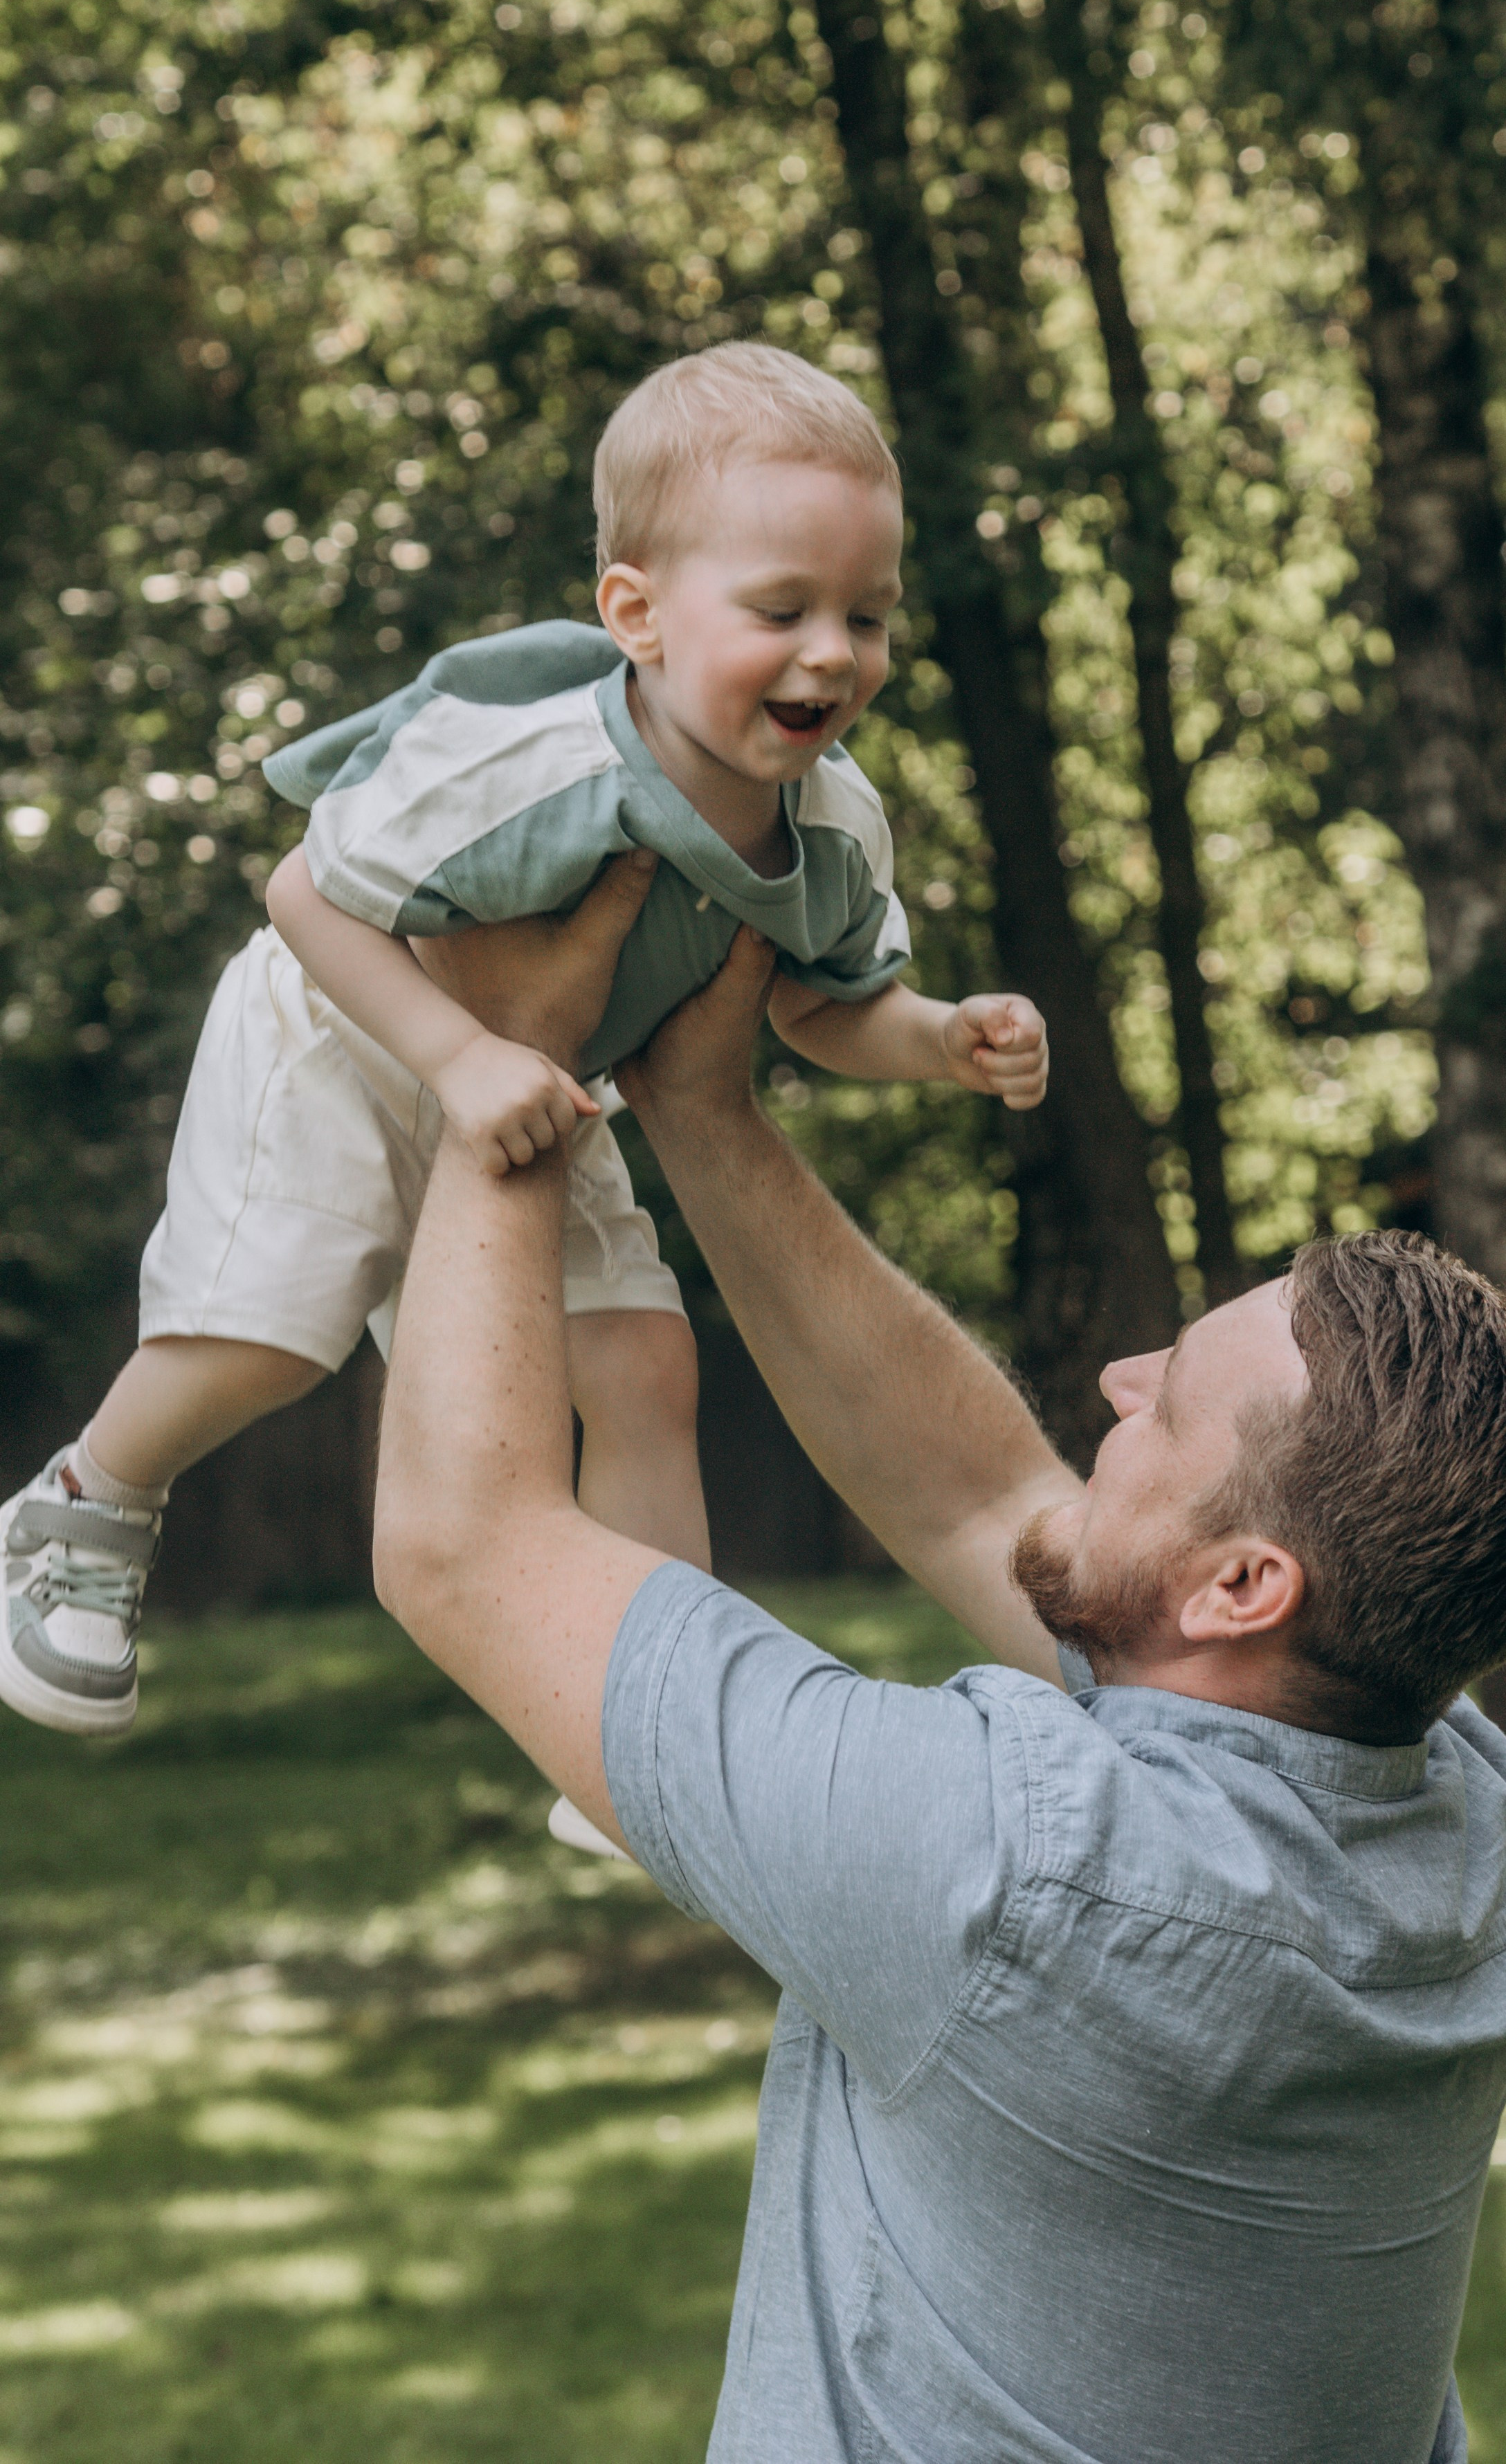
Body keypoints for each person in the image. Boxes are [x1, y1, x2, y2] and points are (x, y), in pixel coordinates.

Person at [368, 875, 1506, 2464]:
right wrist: (705, 1113)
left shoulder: (1002, 1868)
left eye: (1163, 1406)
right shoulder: (1486, 1846)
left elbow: (465, 1546)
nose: (1117, 1378)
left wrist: (513, 1073)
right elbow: (982, 1503)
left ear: (1244, 1585)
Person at [0, 341, 1047, 1739]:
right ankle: (82, 1509)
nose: (830, 654)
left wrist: (935, 1039)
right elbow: (305, 893)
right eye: (782, 607)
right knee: (272, 1335)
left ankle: (655, 1724)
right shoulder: (530, 759)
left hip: (534, 1083)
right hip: (348, 1033)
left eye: (867, 617)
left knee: (641, 1366)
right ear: (638, 612)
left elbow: (811, 1002)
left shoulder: (833, 824)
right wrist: (453, 1054)